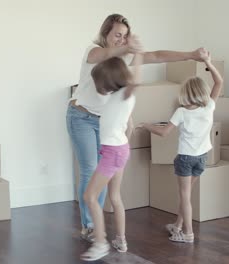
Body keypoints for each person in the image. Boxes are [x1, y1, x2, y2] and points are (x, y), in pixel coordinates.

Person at [66, 13, 208, 243]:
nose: (121, 40)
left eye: (125, 36)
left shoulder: (122, 60)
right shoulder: (93, 50)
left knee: (103, 173)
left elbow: (156, 56)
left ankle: (103, 229)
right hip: (80, 116)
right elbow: (104, 54)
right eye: (117, 35)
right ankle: (90, 226)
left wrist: (191, 55)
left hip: (104, 122)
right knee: (90, 169)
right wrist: (126, 49)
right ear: (105, 34)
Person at [139, 52, 223, 243]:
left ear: (185, 93)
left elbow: (163, 132)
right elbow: (219, 82)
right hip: (202, 158)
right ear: (202, 91)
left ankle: (188, 234)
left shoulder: (182, 112)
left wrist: (145, 125)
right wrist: (209, 62)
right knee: (187, 196)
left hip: (185, 159)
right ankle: (177, 226)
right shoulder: (209, 106)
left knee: (185, 197)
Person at [80, 44, 143, 261]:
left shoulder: (124, 95)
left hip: (113, 152)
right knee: (115, 196)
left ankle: (100, 243)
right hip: (120, 149)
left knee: (89, 196)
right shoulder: (118, 97)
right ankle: (121, 240)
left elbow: (135, 81)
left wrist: (139, 54)